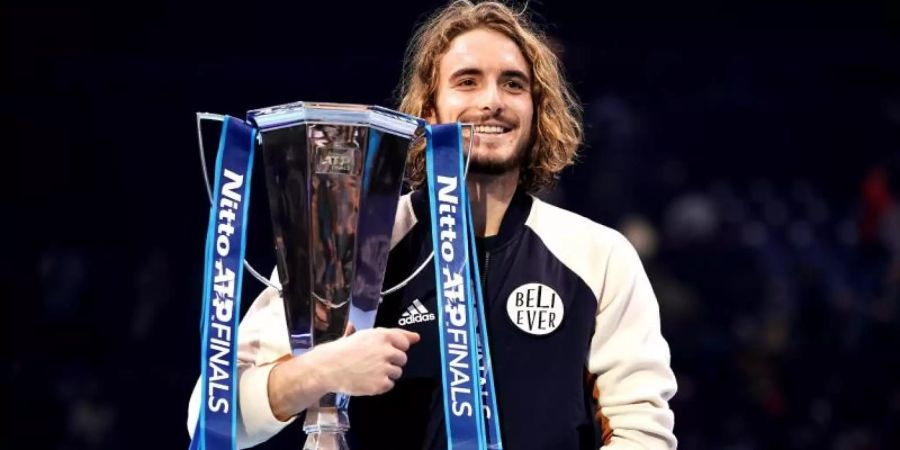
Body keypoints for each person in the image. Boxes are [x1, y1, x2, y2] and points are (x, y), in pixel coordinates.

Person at [188, 1, 677, 448]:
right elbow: (210, 418)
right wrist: (321, 369)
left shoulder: (597, 254)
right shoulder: (351, 243)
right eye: (467, 81)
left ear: (537, 108)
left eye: (513, 83)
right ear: (427, 110)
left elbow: (642, 430)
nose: (492, 101)